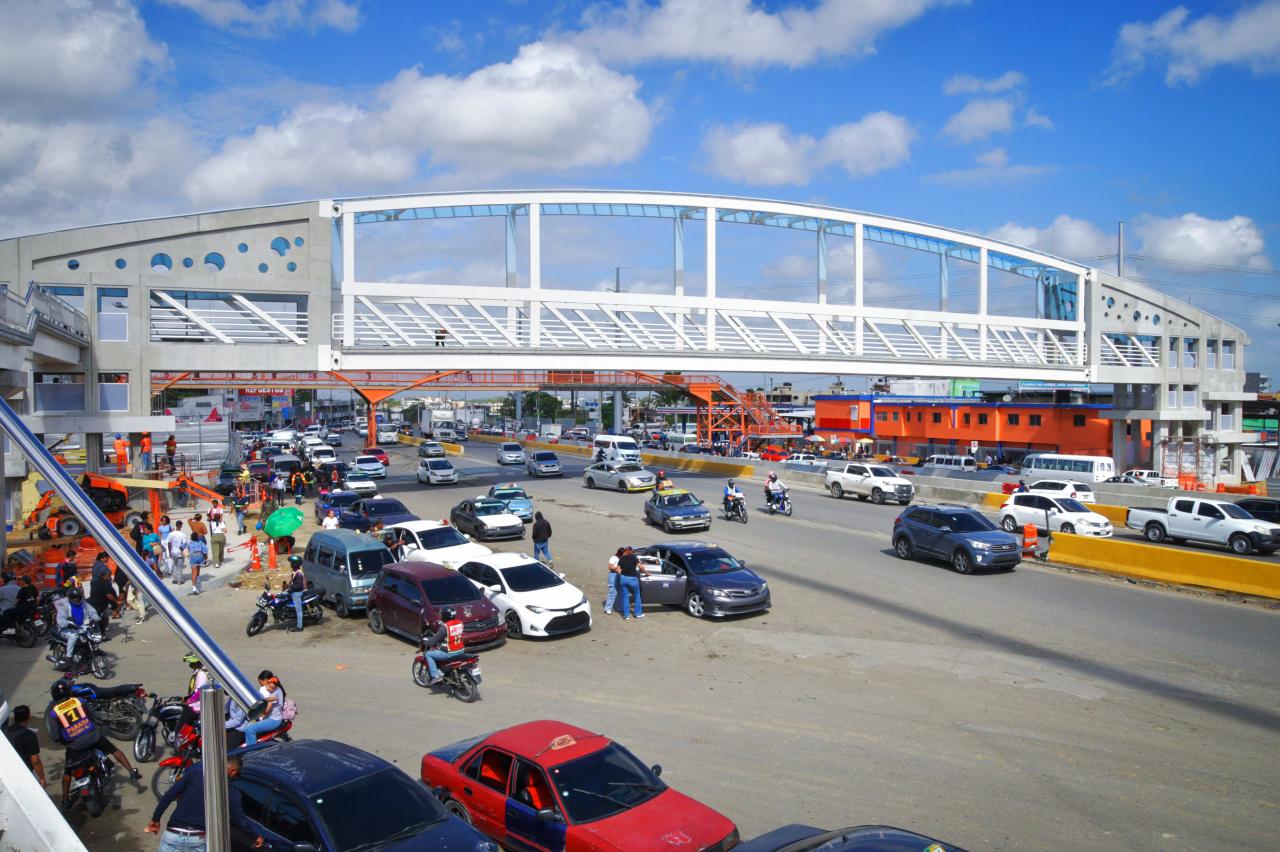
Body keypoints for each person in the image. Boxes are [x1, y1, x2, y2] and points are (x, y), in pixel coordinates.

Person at [48, 679, 141, 810]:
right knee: (114, 750)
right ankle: (132, 772)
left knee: (68, 772)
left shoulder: (53, 713)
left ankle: (65, 800)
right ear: (68, 691)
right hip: (94, 738)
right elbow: (91, 716)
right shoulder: (79, 701)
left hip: (75, 746)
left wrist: (65, 740)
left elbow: (55, 736)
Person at [147, 754, 264, 850]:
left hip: (173, 834)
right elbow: (240, 819)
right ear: (233, 773)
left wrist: (155, 819)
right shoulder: (231, 792)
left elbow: (169, 795)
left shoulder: (195, 774)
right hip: (198, 840)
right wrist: (255, 836)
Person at [53, 586, 100, 668]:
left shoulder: (84, 603)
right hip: (66, 629)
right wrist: (67, 624)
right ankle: (69, 657)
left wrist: (95, 618)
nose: (76, 599)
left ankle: (85, 654)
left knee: (91, 636)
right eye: (74, 597)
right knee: (74, 636)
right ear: (70, 597)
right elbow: (61, 620)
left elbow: (92, 611)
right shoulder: (64, 605)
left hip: (80, 627)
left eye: (78, 597)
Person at [419, 607, 465, 684]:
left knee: (428, 654)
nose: (441, 616)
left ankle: (436, 676)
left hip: (450, 652)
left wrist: (425, 642)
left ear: (445, 616)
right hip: (461, 650)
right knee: (440, 649)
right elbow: (451, 635)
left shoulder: (445, 627)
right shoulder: (460, 623)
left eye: (442, 615)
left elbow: (434, 641)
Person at [5, 705, 46, 787]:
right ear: (29, 716)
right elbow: (35, 760)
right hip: (24, 772)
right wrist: (42, 778)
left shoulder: (6, 732)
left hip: (7, 772)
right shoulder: (29, 735)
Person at [242, 671, 286, 745]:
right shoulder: (275, 689)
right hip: (272, 718)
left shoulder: (273, 692)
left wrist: (258, 717)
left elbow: (267, 710)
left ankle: (252, 752)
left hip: (273, 720)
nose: (261, 684)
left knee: (249, 729)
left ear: (265, 681)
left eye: (260, 682)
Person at [616, 547, 647, 620]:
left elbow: (618, 570)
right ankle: (637, 613)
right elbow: (640, 567)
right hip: (632, 579)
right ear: (632, 551)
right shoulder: (634, 557)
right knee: (637, 596)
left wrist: (622, 575)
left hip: (623, 579)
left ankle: (626, 615)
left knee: (625, 597)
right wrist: (646, 573)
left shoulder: (622, 558)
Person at [86, 561, 117, 632]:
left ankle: (98, 633)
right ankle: (101, 634)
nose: (110, 578)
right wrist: (116, 601)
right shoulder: (104, 583)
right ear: (105, 575)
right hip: (99, 605)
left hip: (93, 603)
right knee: (102, 620)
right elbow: (109, 595)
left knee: (98, 619)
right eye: (109, 576)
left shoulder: (94, 581)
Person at [167, 520, 189, 585]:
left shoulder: (171, 534)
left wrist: (169, 551)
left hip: (173, 552)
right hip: (180, 553)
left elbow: (169, 543)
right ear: (181, 526)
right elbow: (185, 544)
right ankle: (180, 580)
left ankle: (175, 579)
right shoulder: (183, 534)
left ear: (176, 525)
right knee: (180, 567)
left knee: (175, 565)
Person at [287, 556, 306, 633]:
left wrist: (291, 587)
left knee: (299, 610)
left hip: (297, 594)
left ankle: (299, 626)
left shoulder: (299, 574)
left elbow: (299, 586)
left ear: (294, 565)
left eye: (291, 564)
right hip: (293, 592)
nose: (290, 565)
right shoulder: (295, 572)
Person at [603, 547, 623, 615]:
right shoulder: (613, 558)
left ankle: (617, 607)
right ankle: (607, 608)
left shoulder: (622, 558)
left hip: (619, 575)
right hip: (613, 575)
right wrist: (617, 568)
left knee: (619, 592)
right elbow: (610, 567)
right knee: (612, 592)